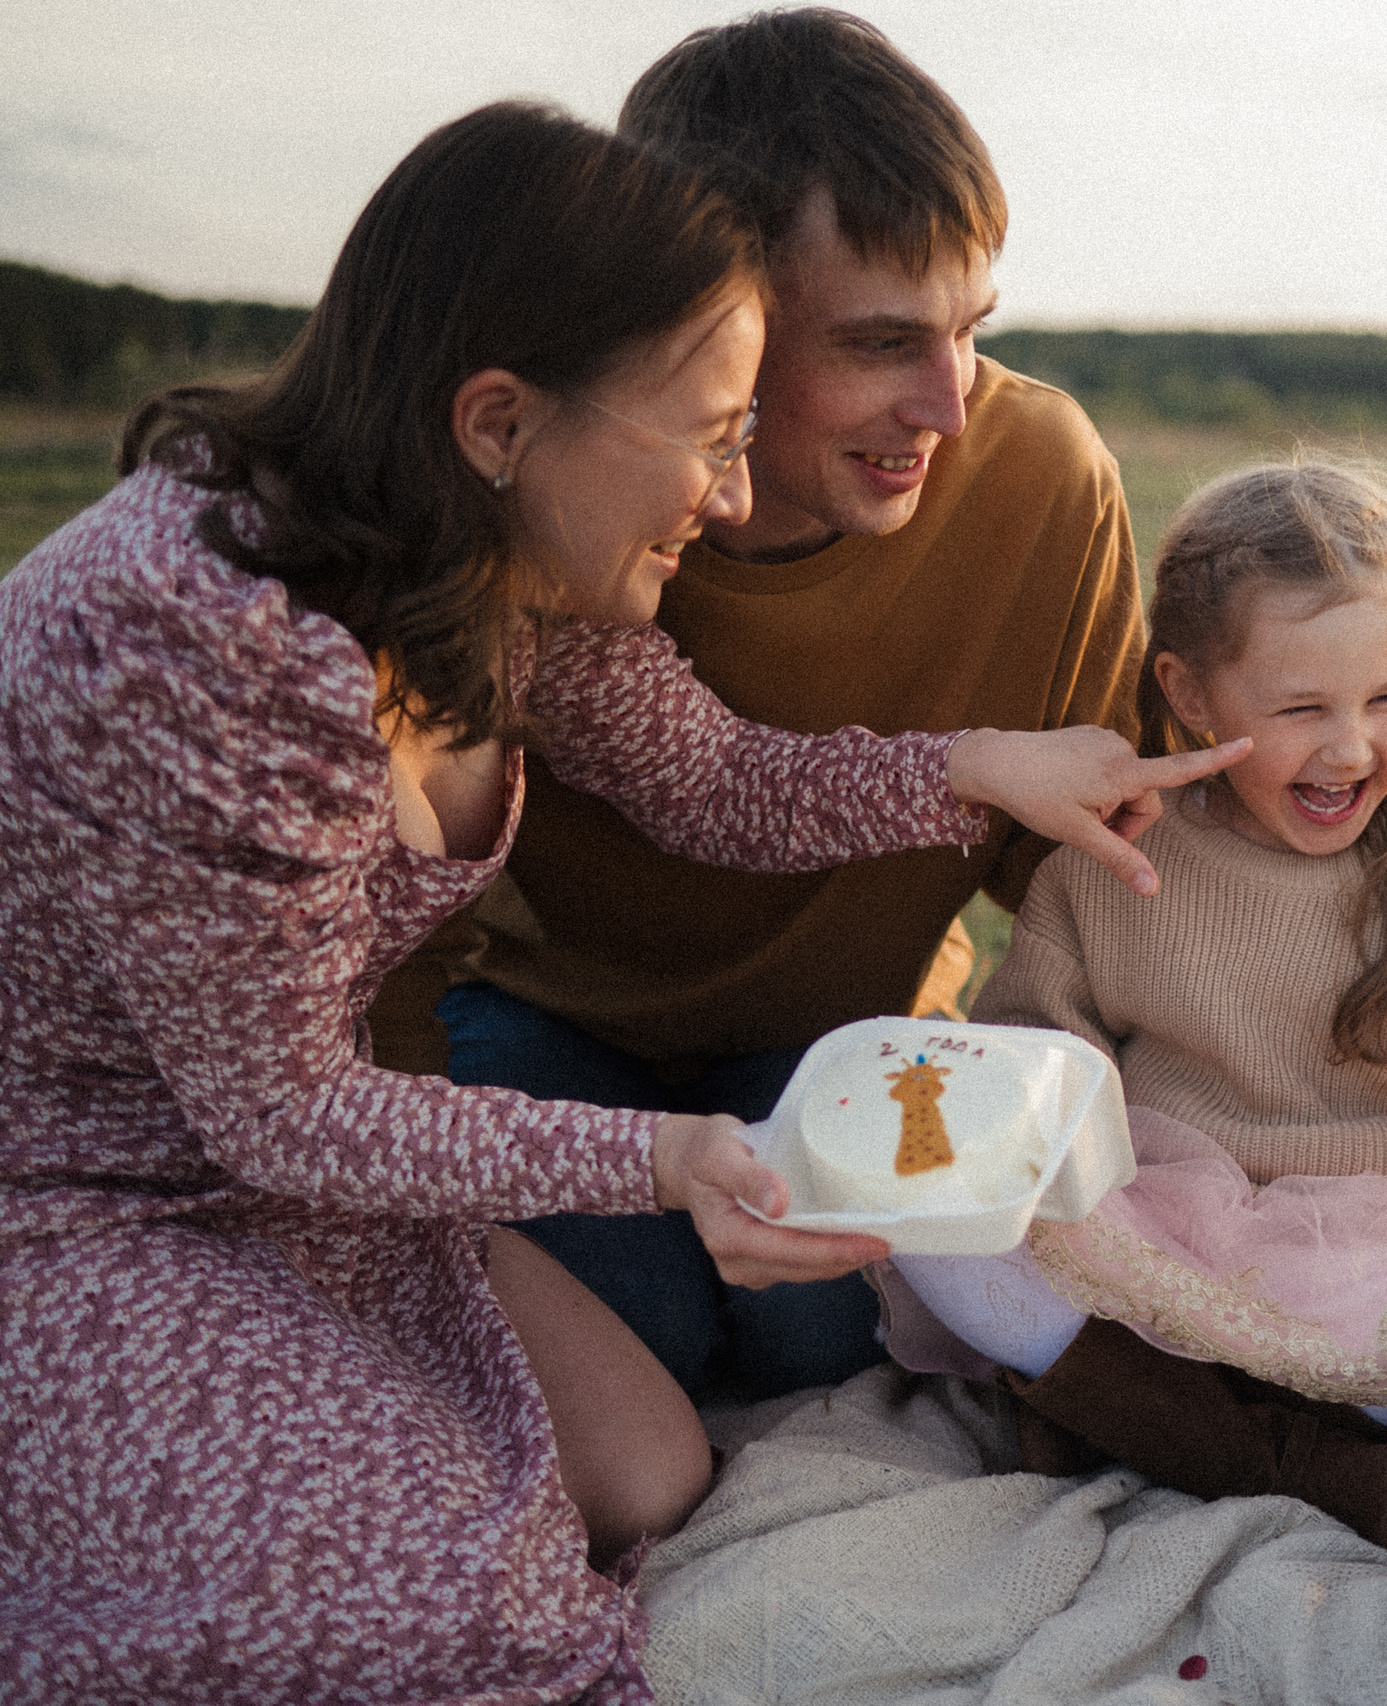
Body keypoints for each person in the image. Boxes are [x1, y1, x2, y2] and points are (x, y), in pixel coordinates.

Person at [0, 102, 1232, 1703]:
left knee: (647, 1474)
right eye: (709, 435)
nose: (727, 500)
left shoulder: (481, 571)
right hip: (79, 1191)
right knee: (440, 1607)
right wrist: (668, 1158)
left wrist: (984, 768)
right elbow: (286, 1111)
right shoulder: (215, 648)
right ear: (501, 420)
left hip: (272, 1171)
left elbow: (714, 782)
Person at [367, 6, 1155, 1406]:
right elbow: (400, 906)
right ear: (703, 320)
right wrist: (420, 1219)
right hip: (552, 1027)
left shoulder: (1042, 479)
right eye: (879, 342)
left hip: (850, 1043)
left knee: (816, 1338)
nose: (950, 406)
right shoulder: (545, 513)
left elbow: (1094, 896)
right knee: (630, 1343)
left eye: (971, 331)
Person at [888, 458, 1387, 1565]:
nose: (1349, 745)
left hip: (1380, 1262)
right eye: (1301, 708)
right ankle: (1310, 1461)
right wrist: (1004, 1135)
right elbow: (1038, 1076)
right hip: (1163, 1238)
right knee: (933, 1220)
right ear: (1189, 695)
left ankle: (1170, 1429)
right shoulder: (1113, 861)